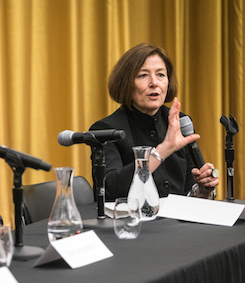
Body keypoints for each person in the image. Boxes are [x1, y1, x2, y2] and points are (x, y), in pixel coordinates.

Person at [89, 43, 219, 201]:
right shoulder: (105, 130)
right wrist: (163, 150)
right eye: (143, 75)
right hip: (133, 222)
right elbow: (109, 189)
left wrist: (203, 190)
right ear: (126, 83)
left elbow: (189, 190)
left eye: (161, 75)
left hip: (177, 223)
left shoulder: (179, 122)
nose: (154, 83)